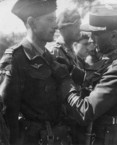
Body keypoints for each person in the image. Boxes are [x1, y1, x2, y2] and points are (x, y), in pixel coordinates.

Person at [0, 0, 74, 145]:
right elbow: (7, 118)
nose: (56, 25)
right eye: (50, 19)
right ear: (32, 23)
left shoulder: (50, 57)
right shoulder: (15, 60)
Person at [63, 4, 117, 145]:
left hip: (107, 138)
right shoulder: (111, 59)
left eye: (96, 34)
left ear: (114, 36)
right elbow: (94, 80)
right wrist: (71, 69)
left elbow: (85, 112)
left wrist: (64, 83)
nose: (91, 39)